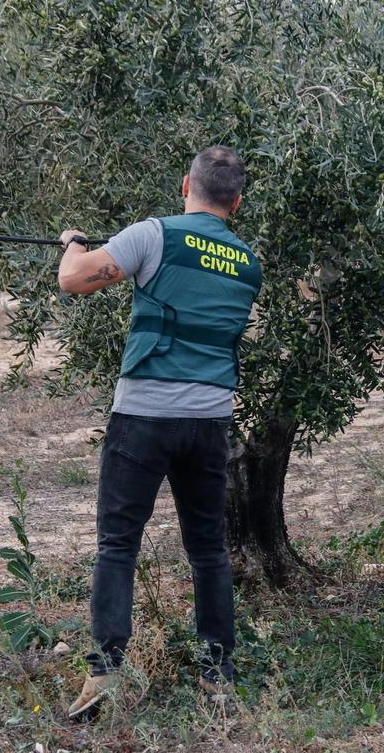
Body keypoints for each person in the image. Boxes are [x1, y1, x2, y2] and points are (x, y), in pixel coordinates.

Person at [56, 145, 262, 719]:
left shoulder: (154, 235)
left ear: (184, 186)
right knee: (208, 550)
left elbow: (74, 279)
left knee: (118, 544)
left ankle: (104, 675)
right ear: (237, 201)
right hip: (210, 421)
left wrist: (73, 241)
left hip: (144, 416)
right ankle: (217, 677)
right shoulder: (249, 264)